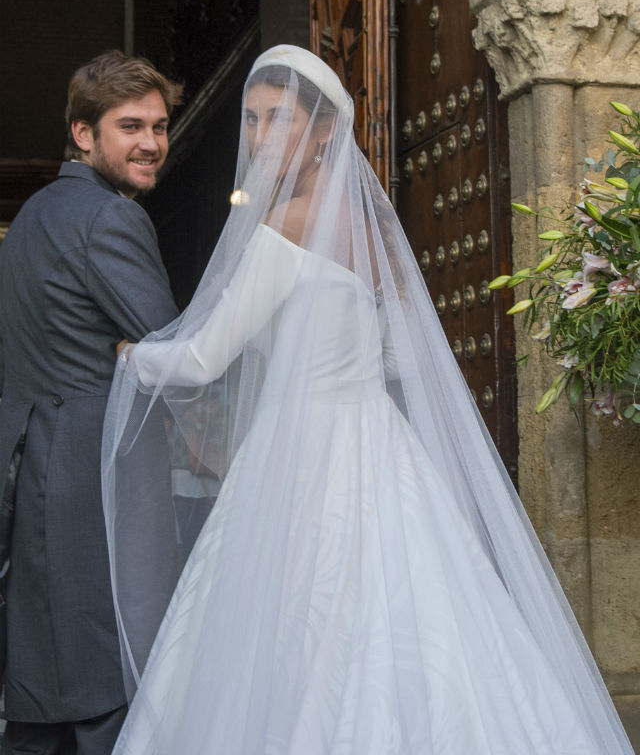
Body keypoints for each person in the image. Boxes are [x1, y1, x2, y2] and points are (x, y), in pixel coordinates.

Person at [102, 45, 633, 754]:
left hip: (298, 457)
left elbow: (202, 358)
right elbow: (391, 353)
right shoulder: (371, 227)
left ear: (324, 131)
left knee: (299, 628)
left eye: (278, 119)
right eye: (252, 120)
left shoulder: (281, 225)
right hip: (380, 445)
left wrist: (137, 359)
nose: (258, 136)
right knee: (413, 614)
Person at [0, 50, 181, 755]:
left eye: (161, 127)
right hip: (93, 484)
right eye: (130, 126)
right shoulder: (110, 218)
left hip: (30, 472)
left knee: (43, 700)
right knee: (108, 694)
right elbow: (171, 351)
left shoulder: (33, 217)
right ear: (83, 133)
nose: (151, 143)